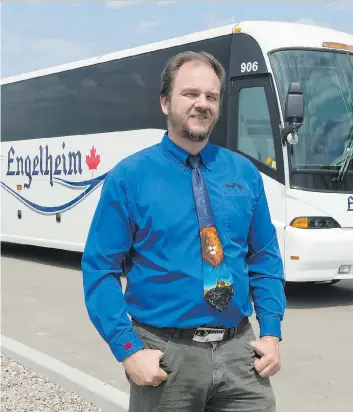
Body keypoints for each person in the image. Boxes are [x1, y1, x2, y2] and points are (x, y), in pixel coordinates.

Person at [81, 50, 286, 412]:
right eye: (190, 94)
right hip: (166, 355)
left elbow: (265, 256)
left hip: (241, 353)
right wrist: (127, 349)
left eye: (211, 96)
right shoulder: (130, 177)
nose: (202, 104)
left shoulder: (243, 174)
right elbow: (100, 270)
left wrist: (270, 331)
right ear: (165, 101)